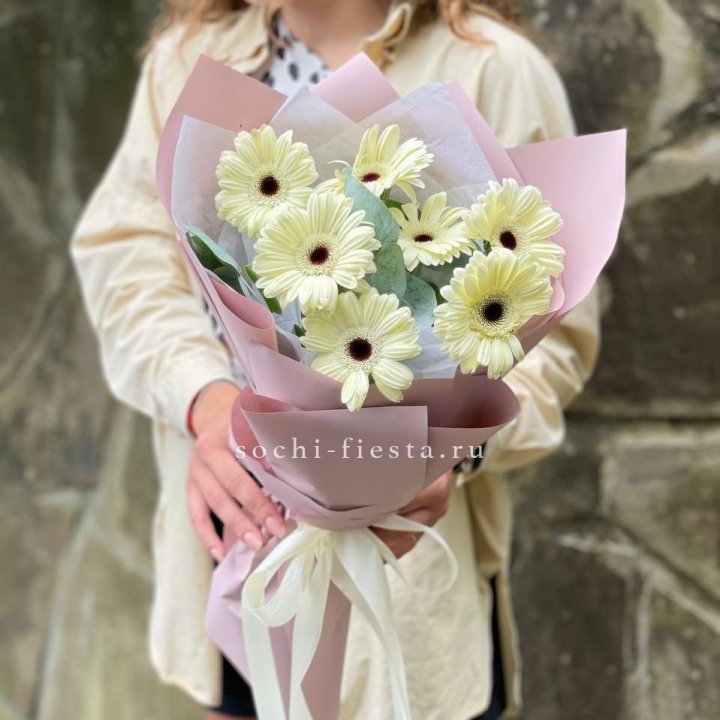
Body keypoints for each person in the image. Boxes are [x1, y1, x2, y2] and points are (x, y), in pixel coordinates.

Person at [70, 1, 600, 719]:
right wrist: (205, 401)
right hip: (241, 548)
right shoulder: (189, 59)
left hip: (409, 580)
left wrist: (454, 451)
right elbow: (127, 257)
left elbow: (552, 334)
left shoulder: (493, 68)